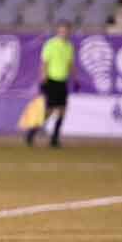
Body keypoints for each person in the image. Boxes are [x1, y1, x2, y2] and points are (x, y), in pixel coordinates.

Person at [26, 20, 78, 148]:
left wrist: (75, 79)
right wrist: (43, 78)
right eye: (62, 30)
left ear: (69, 32)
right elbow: (44, 63)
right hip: (52, 80)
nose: (64, 33)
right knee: (49, 111)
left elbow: (70, 64)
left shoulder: (69, 46)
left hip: (62, 81)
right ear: (58, 31)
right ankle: (32, 132)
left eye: (66, 30)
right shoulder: (50, 45)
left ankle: (54, 138)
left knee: (62, 111)